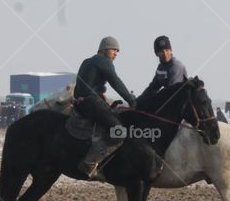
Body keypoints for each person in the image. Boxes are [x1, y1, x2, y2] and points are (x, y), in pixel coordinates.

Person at [72, 36, 137, 179]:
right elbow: (116, 82)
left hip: (81, 103)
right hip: (91, 103)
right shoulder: (103, 61)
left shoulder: (87, 61)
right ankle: (89, 163)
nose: (116, 54)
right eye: (114, 50)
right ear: (105, 49)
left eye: (117, 51)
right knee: (119, 132)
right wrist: (132, 100)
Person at [138, 35, 188, 105]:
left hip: (179, 103)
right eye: (161, 52)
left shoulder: (176, 66)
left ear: (171, 51)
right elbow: (153, 87)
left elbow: (171, 91)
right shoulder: (160, 67)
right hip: (168, 100)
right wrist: (138, 100)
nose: (165, 54)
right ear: (157, 54)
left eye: (167, 50)